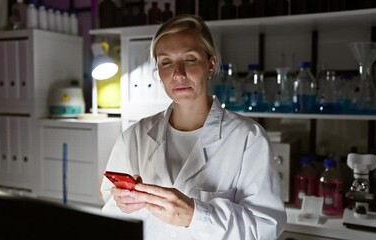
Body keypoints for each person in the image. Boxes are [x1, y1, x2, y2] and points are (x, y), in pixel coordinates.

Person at [100, 14, 287, 239]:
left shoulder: (248, 138)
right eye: (166, 62)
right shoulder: (134, 137)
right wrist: (123, 204)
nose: (178, 74)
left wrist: (195, 215)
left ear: (210, 64)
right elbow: (110, 211)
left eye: (189, 59)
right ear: (158, 72)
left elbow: (264, 228)